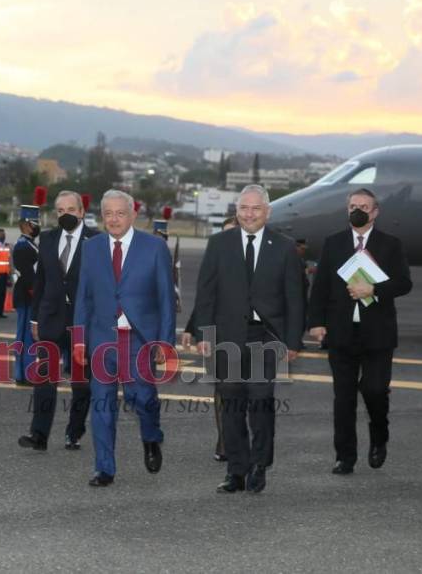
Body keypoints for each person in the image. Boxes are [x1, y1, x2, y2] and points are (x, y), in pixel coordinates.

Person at [194, 185, 304, 493]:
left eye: (256, 209)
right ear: (237, 210)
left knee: (260, 403)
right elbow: (206, 292)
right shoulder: (219, 244)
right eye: (244, 208)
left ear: (267, 212)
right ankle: (236, 470)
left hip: (266, 337)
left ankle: (260, 464)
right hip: (227, 336)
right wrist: (204, 332)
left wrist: (292, 341)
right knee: (230, 406)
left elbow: (295, 299)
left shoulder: (284, 248)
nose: (249, 214)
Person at [74, 189, 176, 487]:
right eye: (108, 214)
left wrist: (165, 342)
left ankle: (151, 437)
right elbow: (83, 297)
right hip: (101, 340)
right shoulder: (91, 248)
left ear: (133, 215)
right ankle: (104, 468)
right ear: (102, 216)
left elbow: (166, 298)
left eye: (120, 213)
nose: (114, 219)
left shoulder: (154, 247)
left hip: (139, 340)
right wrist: (79, 339)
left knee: (143, 399)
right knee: (102, 404)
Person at [308, 187, 412, 475]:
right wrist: (316, 322)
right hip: (341, 332)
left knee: (375, 390)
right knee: (343, 398)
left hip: (378, 333)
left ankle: (379, 435)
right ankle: (345, 457)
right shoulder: (334, 243)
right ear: (347, 209)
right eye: (354, 205)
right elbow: (321, 288)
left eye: (364, 207)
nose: (358, 210)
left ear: (375, 212)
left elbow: (404, 283)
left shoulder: (391, 244)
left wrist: (374, 289)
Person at [20, 191, 97, 451]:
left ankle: (74, 431)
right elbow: (40, 281)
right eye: (60, 211)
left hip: (82, 323)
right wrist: (33, 318)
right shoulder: (48, 239)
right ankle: (39, 435)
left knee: (81, 384)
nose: (66, 214)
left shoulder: (96, 241)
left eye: (71, 209)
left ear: (82, 211)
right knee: (44, 379)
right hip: (51, 317)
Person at [181, 214, 237, 464]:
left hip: (250, 334)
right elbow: (205, 297)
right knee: (223, 388)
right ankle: (225, 440)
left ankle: (238, 435)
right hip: (217, 333)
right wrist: (192, 329)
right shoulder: (216, 259)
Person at [12, 205, 41, 385]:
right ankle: (23, 374)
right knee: (25, 336)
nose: (36, 227)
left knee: (30, 336)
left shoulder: (30, 244)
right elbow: (29, 276)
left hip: (30, 295)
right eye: (34, 223)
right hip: (27, 295)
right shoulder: (23, 246)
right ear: (25, 225)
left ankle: (27, 371)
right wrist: (37, 294)